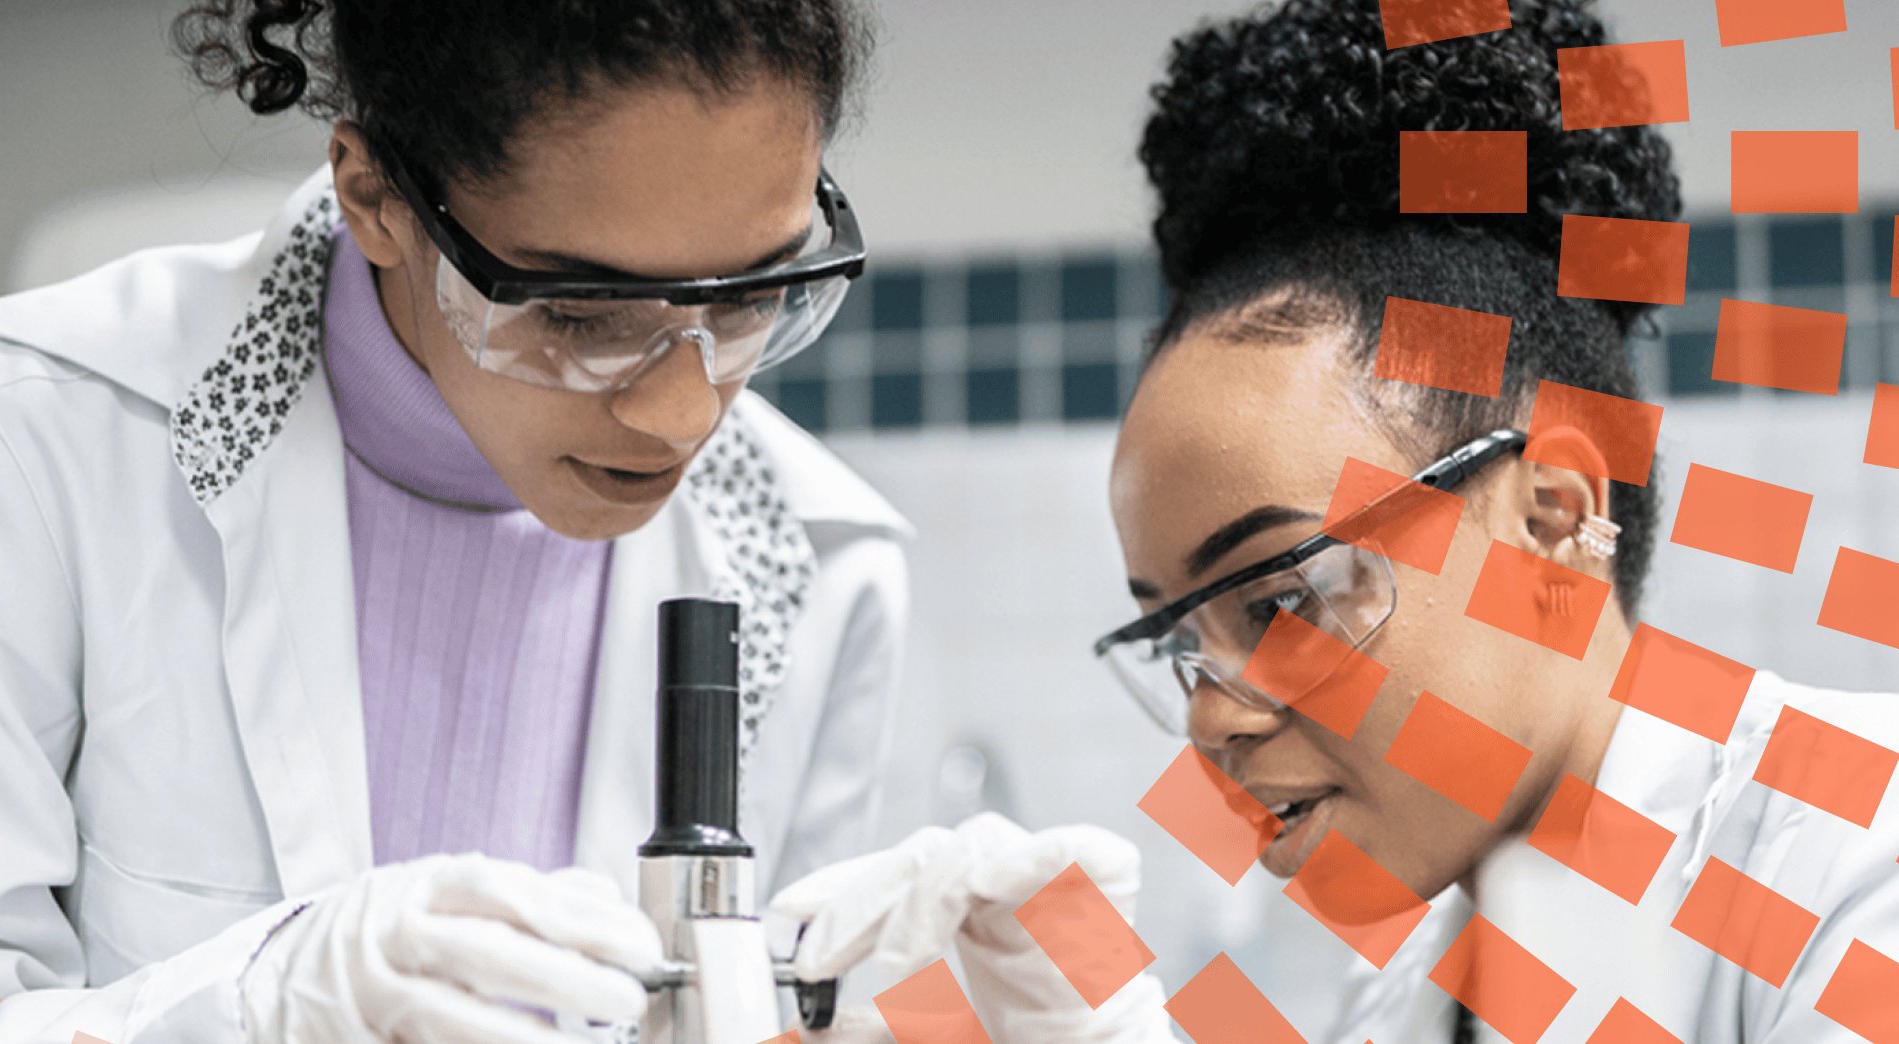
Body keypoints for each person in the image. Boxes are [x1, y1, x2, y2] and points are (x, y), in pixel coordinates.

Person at [0, 1, 957, 1040]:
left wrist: (959, 1010)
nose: (685, 413)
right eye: (583, 316)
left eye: (753, 298)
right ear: (374, 196)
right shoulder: (30, 444)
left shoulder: (819, 564)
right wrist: (249, 1008)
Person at [767, 1, 1899, 1040]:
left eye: (1280, 599)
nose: (1210, 719)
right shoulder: (1414, 976)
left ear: (1555, 520)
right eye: (1178, 639)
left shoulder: (1857, 854)